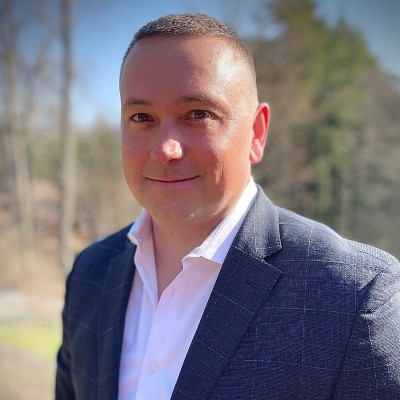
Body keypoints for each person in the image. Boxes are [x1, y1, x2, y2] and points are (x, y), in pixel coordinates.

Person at [55, 13, 400, 400]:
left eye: (198, 115)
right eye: (142, 117)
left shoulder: (355, 298)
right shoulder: (90, 275)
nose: (166, 149)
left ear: (257, 132)